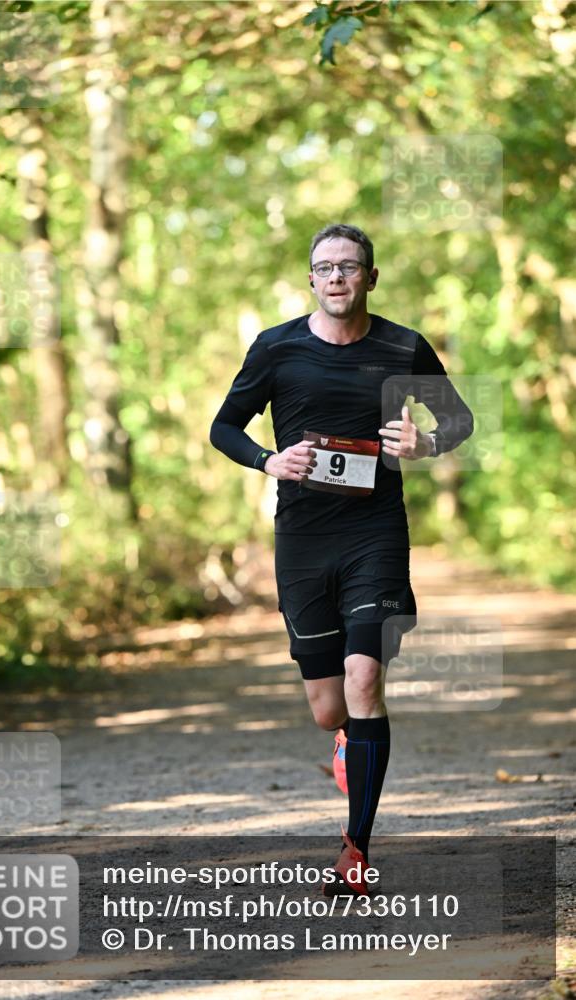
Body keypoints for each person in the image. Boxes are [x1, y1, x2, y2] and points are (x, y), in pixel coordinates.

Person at [209, 223, 474, 895]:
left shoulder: (400, 345)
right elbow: (222, 427)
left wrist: (425, 444)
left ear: (369, 278)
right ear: (309, 279)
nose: (335, 278)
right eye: (324, 267)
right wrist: (270, 460)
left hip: (374, 534)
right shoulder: (275, 348)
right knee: (329, 708)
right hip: (301, 539)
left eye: (348, 267)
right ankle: (344, 743)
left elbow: (459, 421)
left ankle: (355, 851)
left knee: (364, 681)